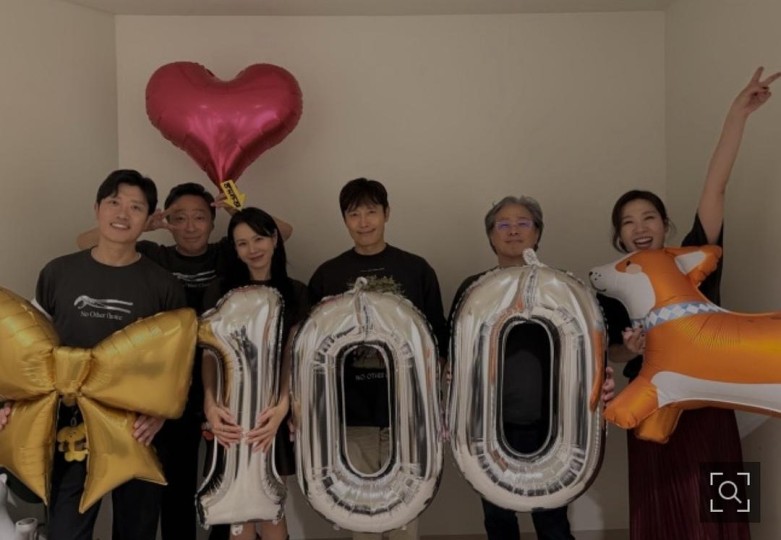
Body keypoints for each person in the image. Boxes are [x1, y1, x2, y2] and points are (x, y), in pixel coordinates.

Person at [600, 67, 780, 540]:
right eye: (628, 222)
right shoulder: (615, 286)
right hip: (654, 407)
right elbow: (612, 353)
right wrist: (628, 349)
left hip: (713, 403)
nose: (640, 227)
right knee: (660, 508)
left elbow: (715, 188)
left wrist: (737, 115)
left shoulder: (694, 261)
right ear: (619, 236)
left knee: (725, 506)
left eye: (649, 217)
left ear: (665, 224)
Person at [76, 182, 292, 540]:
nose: (190, 226)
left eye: (199, 217)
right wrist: (144, 224)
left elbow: (281, 233)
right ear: (168, 222)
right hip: (169, 383)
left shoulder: (225, 252)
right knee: (176, 481)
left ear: (212, 221)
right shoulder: (154, 254)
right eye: (179, 218)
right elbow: (84, 242)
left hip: (224, 381)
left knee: (230, 473)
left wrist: (236, 210)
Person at [0, 169, 187, 540]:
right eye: (114, 202)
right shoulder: (58, 273)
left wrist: (161, 414)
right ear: (97, 208)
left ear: (148, 219)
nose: (123, 213)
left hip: (136, 428)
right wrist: (9, 403)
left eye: (136, 207)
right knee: (66, 530)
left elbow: (177, 364)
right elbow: (29, 351)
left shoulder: (164, 285)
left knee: (136, 530)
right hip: (70, 427)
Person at [450, 196, 615, 540]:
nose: (513, 231)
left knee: (553, 521)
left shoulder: (558, 288)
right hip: (489, 424)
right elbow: (457, 352)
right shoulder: (473, 289)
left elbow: (591, 350)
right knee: (498, 520)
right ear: (491, 235)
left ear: (537, 233)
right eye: (503, 224)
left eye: (523, 223)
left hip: (552, 422)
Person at [308, 177, 448, 540]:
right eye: (354, 214)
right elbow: (311, 351)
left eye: (371, 211)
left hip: (408, 412)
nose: (364, 222)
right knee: (363, 513)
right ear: (344, 219)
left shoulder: (416, 269)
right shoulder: (328, 275)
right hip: (351, 412)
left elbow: (437, 338)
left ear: (387, 213)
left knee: (405, 513)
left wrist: (436, 401)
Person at [201, 207, 309, 540]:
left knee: (271, 507)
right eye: (242, 243)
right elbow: (209, 353)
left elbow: (296, 355)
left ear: (275, 239)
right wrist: (210, 404)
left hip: (272, 416)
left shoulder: (297, 292)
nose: (253, 249)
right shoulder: (220, 291)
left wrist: (283, 407)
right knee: (239, 515)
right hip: (230, 415)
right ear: (234, 250)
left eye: (259, 238)